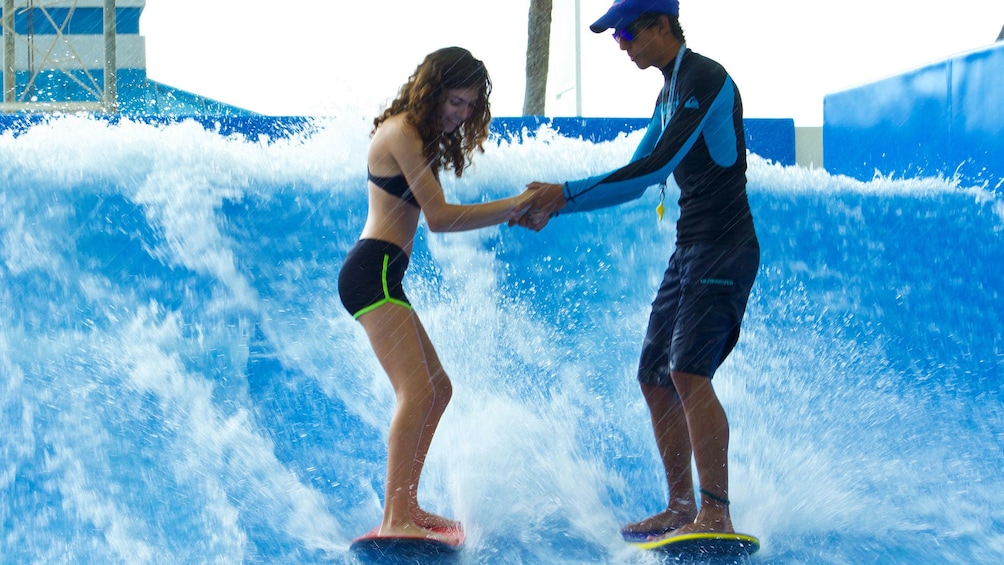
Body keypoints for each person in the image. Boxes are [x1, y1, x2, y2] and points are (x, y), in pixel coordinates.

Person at [513, 0, 760, 542]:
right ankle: (679, 508)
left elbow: (657, 166)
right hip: (691, 247)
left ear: (662, 25)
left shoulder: (705, 78)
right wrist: (557, 205)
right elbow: (637, 174)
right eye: (615, 35)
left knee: (689, 372)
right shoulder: (667, 90)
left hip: (724, 245)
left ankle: (716, 513)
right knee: (654, 375)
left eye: (627, 31)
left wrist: (564, 194)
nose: (620, 43)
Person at [338, 47, 533, 544]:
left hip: (385, 274)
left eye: (469, 106)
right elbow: (441, 219)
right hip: (372, 271)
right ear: (431, 91)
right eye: (454, 101)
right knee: (417, 391)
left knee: (438, 388)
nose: (461, 114)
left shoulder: (415, 136)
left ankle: (408, 504)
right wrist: (517, 206)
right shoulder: (401, 131)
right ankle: (394, 516)